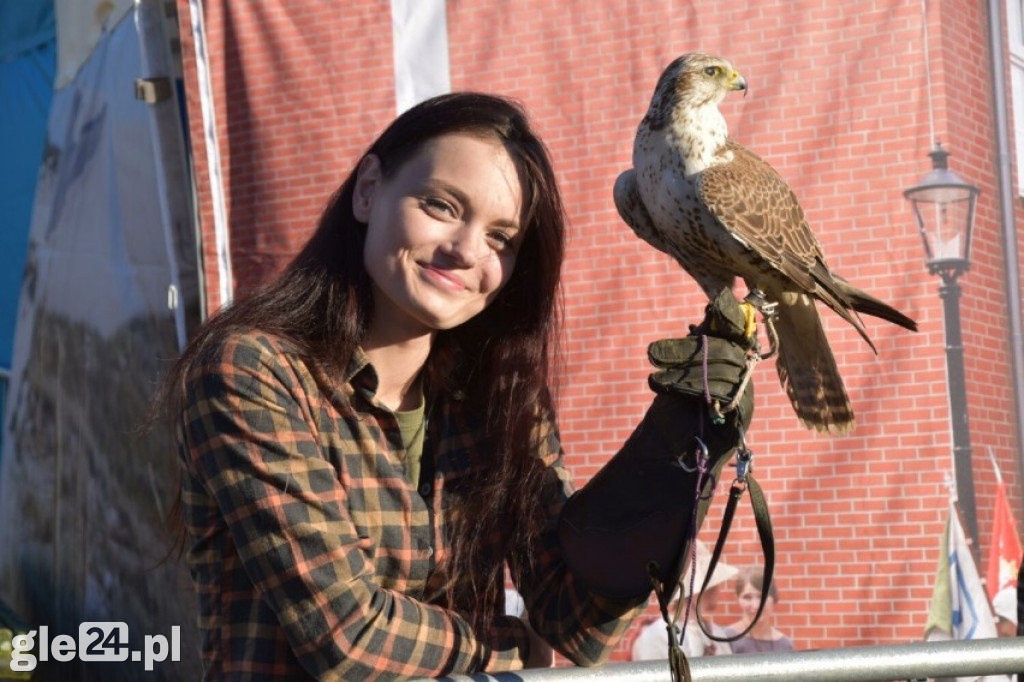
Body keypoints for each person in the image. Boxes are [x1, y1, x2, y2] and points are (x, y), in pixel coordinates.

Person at [156, 91, 755, 680]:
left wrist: (673, 458)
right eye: (441, 205)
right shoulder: (252, 371)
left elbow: (575, 622)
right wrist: (515, 648)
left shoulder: (498, 393)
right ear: (369, 190)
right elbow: (345, 636)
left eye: (502, 238)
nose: (466, 251)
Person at [630, 540, 739, 660]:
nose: (715, 590)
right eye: (708, 585)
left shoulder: (716, 634)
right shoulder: (654, 638)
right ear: (689, 590)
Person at [724, 567, 794, 654]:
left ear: (774, 598)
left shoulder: (784, 644)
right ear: (737, 599)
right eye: (747, 597)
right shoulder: (726, 639)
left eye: (762, 597)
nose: (756, 605)